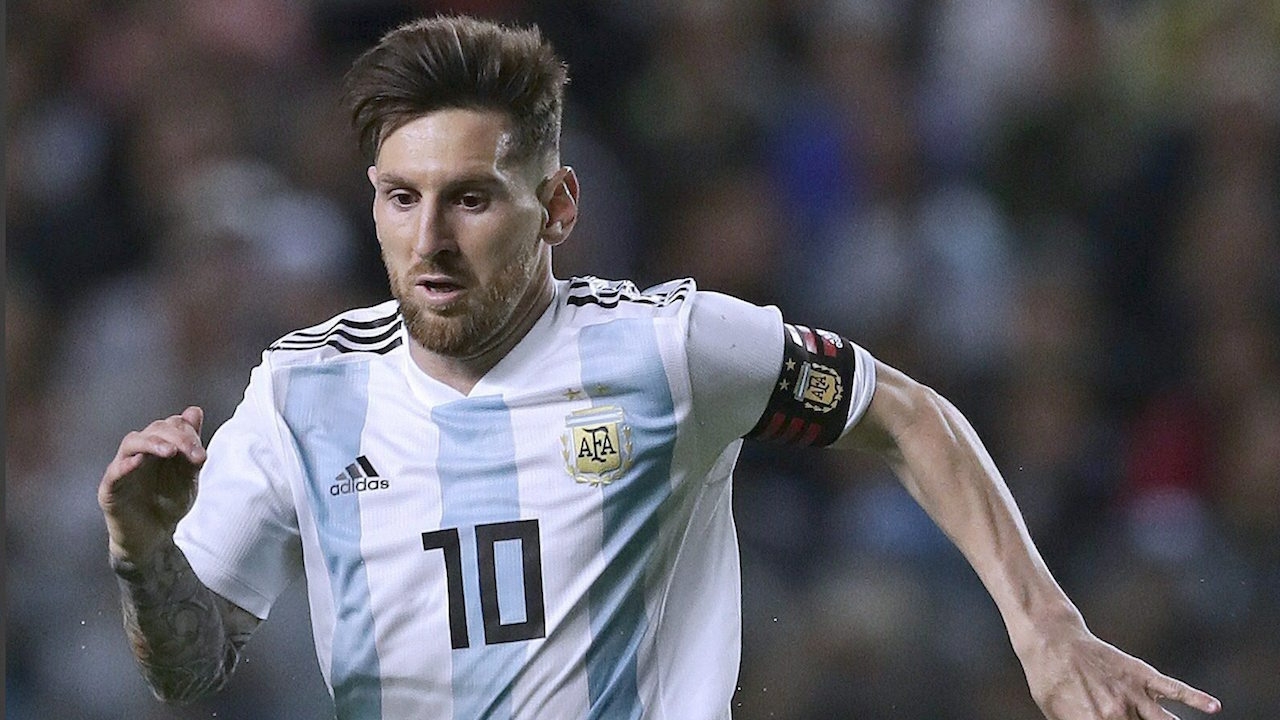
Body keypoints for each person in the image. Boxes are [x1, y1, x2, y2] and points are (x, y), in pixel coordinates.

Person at [98, 14, 1221, 720]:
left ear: (558, 207)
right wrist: (143, 553)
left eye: (471, 199)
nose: (429, 241)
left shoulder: (667, 351)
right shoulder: (303, 391)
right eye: (402, 198)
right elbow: (188, 669)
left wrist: (1044, 627)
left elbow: (903, 413)